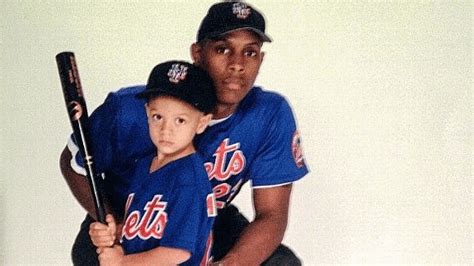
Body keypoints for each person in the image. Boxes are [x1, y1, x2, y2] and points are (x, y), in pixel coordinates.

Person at [60, 1, 309, 265]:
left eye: (250, 52)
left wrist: (232, 262)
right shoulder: (132, 110)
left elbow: (271, 214)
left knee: (281, 263)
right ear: (198, 54)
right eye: (222, 49)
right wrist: (112, 220)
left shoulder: (269, 114)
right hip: (127, 215)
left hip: (202, 217)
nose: (237, 64)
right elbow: (73, 163)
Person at [88, 61, 217, 265]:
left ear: (201, 123)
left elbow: (176, 253)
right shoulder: (145, 165)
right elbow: (141, 232)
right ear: (147, 113)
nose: (166, 129)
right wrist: (114, 233)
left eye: (180, 120)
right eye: (158, 117)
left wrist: (121, 263)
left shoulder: (188, 181)